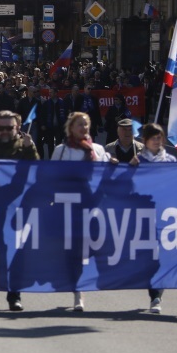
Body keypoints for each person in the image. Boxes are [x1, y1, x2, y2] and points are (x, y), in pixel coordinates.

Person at [0, 110, 39, 311]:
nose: (4, 131)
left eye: (9, 128)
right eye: (0, 128)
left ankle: (14, 295)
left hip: (18, 207)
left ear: (17, 127)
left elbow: (36, 171)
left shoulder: (24, 147)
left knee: (16, 251)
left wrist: (30, 148)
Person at [51, 111, 111, 312]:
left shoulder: (98, 150)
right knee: (74, 250)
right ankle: (78, 291)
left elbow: (105, 175)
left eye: (86, 124)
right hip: (69, 207)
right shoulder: (62, 151)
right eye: (79, 124)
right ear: (71, 127)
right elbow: (52, 177)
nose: (83, 128)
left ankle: (78, 277)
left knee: (95, 246)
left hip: (92, 205)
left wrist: (113, 165)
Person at [135, 123, 177, 314]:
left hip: (165, 215)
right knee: (147, 258)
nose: (157, 141)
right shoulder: (138, 160)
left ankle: (156, 296)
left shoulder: (170, 160)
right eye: (153, 138)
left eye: (159, 137)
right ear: (145, 141)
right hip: (143, 215)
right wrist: (131, 168)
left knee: (161, 256)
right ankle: (152, 290)